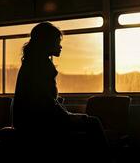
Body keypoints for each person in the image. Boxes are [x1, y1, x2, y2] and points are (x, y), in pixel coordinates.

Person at [12, 22, 108, 150]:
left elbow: (43, 99)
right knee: (93, 122)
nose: (60, 46)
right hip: (38, 122)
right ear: (47, 42)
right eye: (57, 41)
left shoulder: (31, 62)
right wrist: (68, 116)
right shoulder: (42, 65)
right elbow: (46, 104)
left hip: (26, 120)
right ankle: (108, 160)